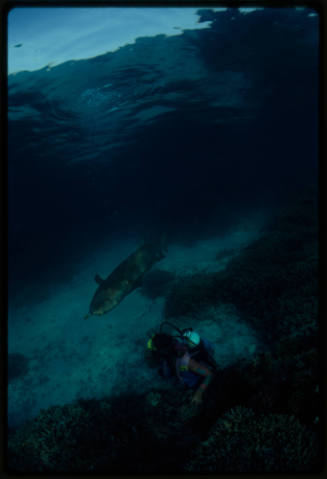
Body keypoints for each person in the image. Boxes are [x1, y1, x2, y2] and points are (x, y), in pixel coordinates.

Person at [147, 330, 215, 404]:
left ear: (163, 351)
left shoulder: (186, 361)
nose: (154, 354)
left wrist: (198, 394)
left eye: (156, 352)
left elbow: (209, 375)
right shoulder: (168, 357)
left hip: (196, 382)